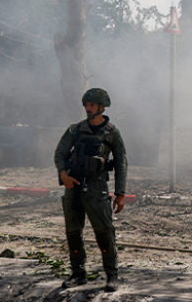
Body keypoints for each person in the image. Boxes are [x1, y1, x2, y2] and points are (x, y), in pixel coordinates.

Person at [54, 87, 128, 291]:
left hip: (97, 188)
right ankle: (78, 274)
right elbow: (60, 153)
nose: (88, 108)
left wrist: (120, 194)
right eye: (86, 105)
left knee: (104, 232)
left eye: (92, 105)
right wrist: (63, 175)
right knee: (73, 232)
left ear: (102, 107)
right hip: (74, 187)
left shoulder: (112, 133)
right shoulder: (75, 130)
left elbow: (121, 163)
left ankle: (112, 275)